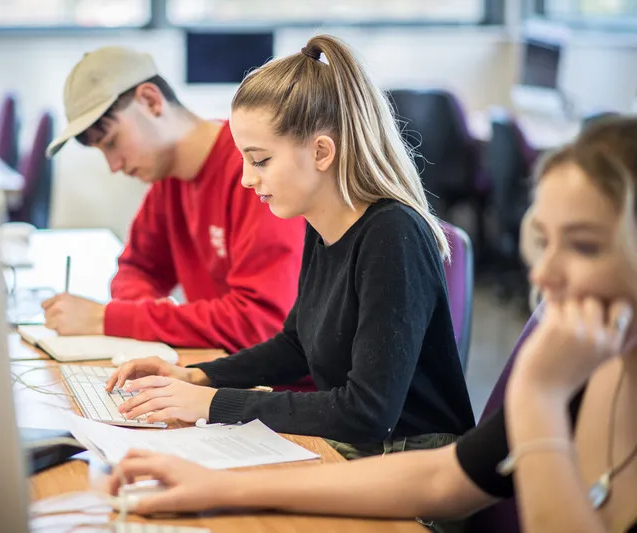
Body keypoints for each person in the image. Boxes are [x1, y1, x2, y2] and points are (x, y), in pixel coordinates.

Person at [107, 116, 637, 533]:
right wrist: (218, 483)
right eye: (543, 241)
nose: (543, 273)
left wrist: (537, 402)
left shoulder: (552, 380)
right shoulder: (588, 369)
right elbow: (446, 475)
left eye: (585, 246)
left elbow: (376, 417)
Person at [104, 35, 476, 456]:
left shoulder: (393, 235)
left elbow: (368, 411)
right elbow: (296, 345)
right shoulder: (322, 225)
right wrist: (196, 375)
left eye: (260, 160)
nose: (246, 178)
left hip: (415, 464)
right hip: (366, 447)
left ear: (321, 151)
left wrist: (213, 403)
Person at [41, 46, 305, 353]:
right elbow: (137, 269)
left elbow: (261, 321)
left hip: (280, 391)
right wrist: (144, 318)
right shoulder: (168, 180)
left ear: (151, 101)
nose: (113, 166)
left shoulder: (254, 173)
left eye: (112, 142)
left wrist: (109, 319)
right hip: (221, 371)